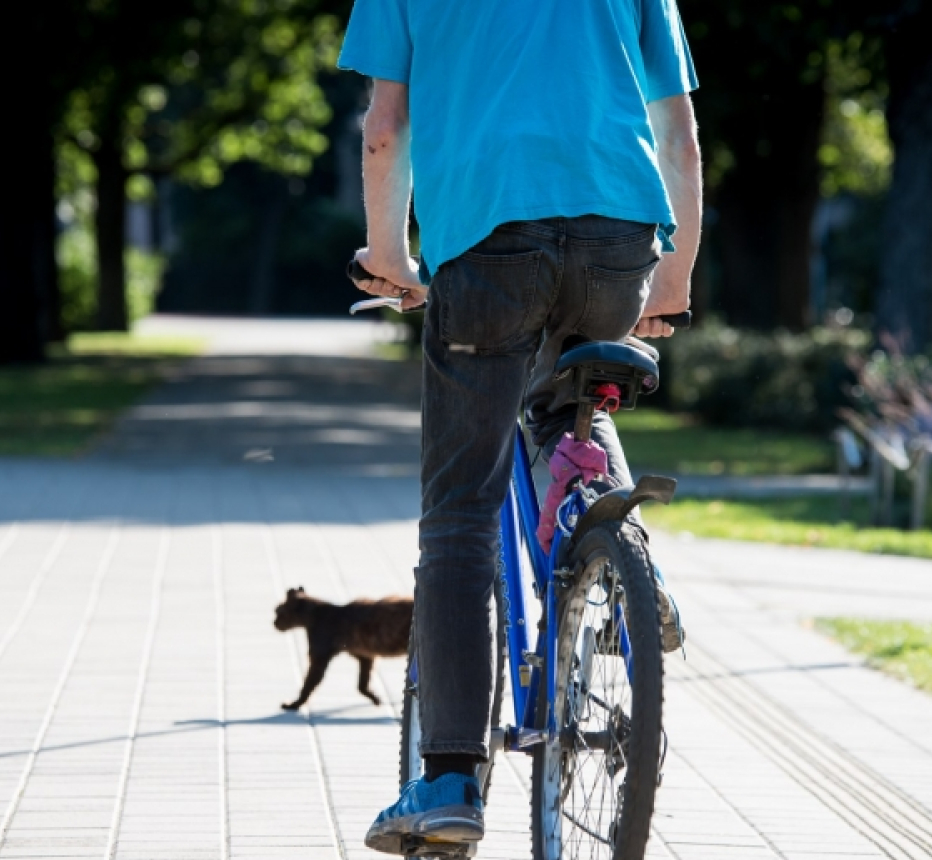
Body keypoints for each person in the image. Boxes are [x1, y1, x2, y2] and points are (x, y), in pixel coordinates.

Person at [338, 0, 702, 853]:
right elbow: (678, 131)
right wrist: (676, 277)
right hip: (621, 243)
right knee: (572, 398)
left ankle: (450, 780)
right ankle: (632, 570)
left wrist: (388, 257)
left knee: (461, 510)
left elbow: (386, 128)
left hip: (489, 245)